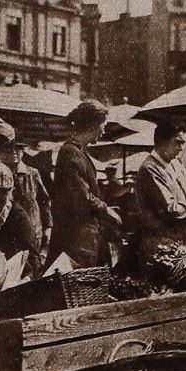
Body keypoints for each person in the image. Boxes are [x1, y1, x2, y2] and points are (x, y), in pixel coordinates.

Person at [48, 100, 122, 268]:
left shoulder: (78, 151)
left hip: (80, 240)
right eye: (103, 125)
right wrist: (106, 210)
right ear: (93, 125)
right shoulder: (70, 153)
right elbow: (82, 198)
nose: (103, 131)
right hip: (74, 241)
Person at [135, 118, 186, 266]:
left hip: (183, 244)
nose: (181, 148)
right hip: (161, 246)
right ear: (161, 140)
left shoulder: (176, 165)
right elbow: (171, 209)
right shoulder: (150, 168)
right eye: (178, 142)